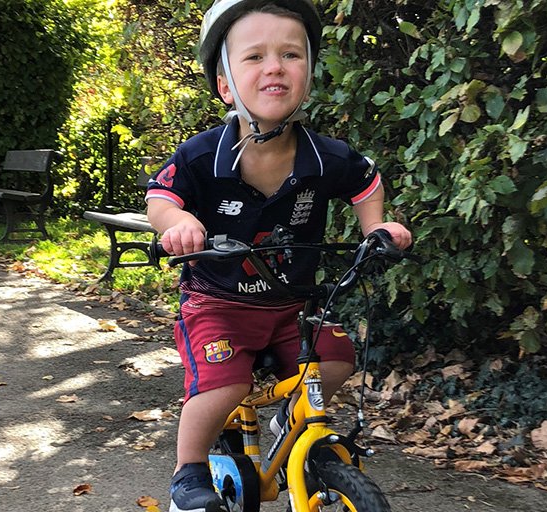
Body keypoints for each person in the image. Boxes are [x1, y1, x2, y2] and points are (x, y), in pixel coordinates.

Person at [144, 1, 413, 511]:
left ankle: (291, 420)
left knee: (336, 358)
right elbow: (162, 196)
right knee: (225, 387)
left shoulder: (324, 156)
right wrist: (178, 224)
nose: (274, 66)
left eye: (291, 54)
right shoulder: (203, 156)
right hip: (218, 304)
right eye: (255, 57)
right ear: (226, 85)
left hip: (293, 306)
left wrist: (375, 226)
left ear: (307, 76)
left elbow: (365, 181)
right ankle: (188, 473)